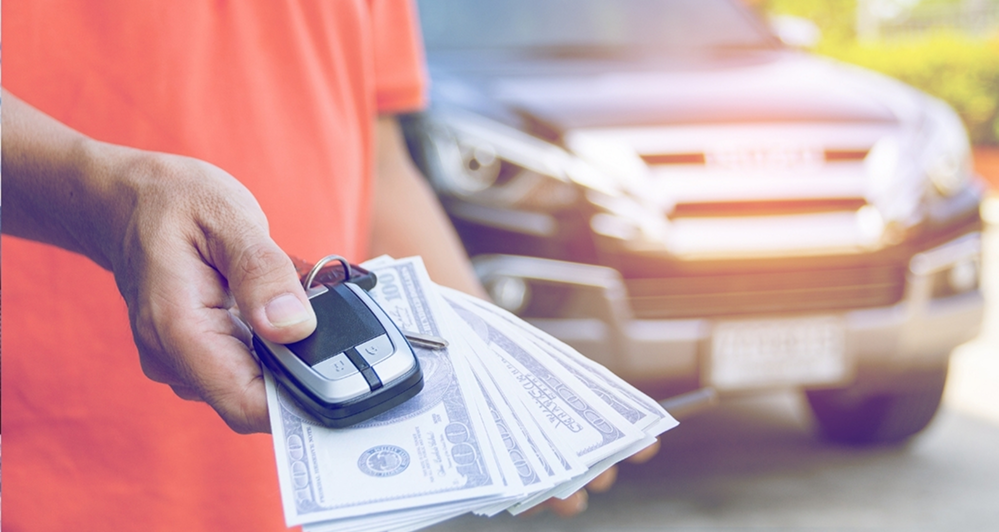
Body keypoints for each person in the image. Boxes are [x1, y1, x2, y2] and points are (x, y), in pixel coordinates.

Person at [2, 1, 656, 530]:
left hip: (317, 497)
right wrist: (104, 198)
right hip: (43, 482)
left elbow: (377, 159)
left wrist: (497, 379)